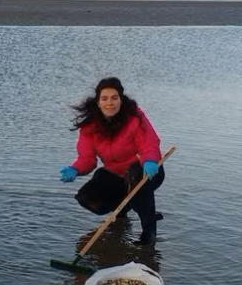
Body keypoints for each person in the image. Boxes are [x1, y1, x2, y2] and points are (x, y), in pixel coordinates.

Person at [59, 77, 165, 245]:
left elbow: (149, 144)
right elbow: (87, 159)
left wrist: (150, 160)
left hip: (145, 172)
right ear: (98, 102)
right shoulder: (90, 126)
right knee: (85, 197)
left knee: (135, 177)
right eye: (105, 98)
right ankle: (124, 208)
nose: (110, 103)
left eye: (114, 98)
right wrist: (75, 169)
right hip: (116, 174)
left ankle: (149, 234)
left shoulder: (134, 118)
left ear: (121, 100)